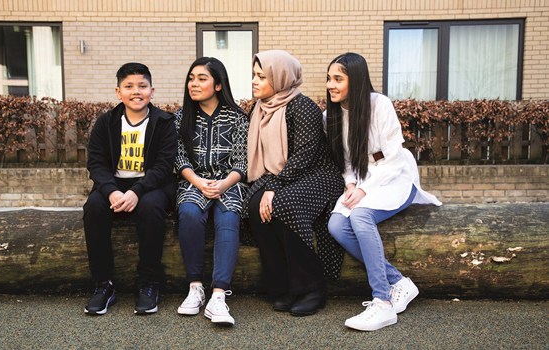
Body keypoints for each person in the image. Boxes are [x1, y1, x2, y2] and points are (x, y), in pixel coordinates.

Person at [324, 52, 442, 331]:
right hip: (363, 178)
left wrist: (363, 190)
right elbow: (347, 162)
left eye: (338, 79)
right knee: (337, 224)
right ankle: (399, 282)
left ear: (357, 80)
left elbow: (394, 158)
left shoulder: (380, 105)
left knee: (360, 216)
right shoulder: (329, 114)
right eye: (329, 79)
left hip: (396, 176)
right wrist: (352, 184)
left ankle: (382, 302)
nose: (331, 85)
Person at [247, 50, 344, 317]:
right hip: (282, 175)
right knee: (255, 206)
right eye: (254, 75)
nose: (254, 81)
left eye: (261, 76)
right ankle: (282, 286)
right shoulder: (260, 108)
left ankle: (312, 289)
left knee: (285, 205)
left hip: (319, 174)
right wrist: (268, 188)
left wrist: (274, 188)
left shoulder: (303, 107)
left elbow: (304, 155)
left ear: (280, 78)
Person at [83, 62, 177, 316]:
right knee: (93, 207)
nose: (136, 92)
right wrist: (112, 191)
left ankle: (148, 283)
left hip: (151, 185)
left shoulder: (164, 123)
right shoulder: (106, 122)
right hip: (114, 184)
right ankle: (103, 284)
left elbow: (164, 165)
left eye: (142, 86)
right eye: (129, 86)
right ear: (118, 92)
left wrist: (136, 191)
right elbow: (96, 162)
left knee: (150, 207)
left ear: (152, 90)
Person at [173, 57, 249, 326]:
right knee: (190, 213)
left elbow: (243, 162)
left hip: (230, 182)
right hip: (194, 182)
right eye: (191, 78)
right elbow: (179, 158)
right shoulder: (182, 117)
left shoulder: (238, 118)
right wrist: (198, 182)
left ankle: (218, 295)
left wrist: (225, 183)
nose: (194, 83)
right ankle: (195, 287)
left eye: (202, 78)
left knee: (228, 219)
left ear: (218, 84)